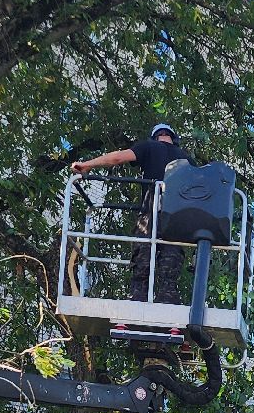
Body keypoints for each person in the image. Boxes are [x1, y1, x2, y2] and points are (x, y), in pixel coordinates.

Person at [70, 123, 191, 305]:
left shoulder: (148, 147)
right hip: (177, 218)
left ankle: (138, 298)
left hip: (151, 212)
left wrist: (87, 165)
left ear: (154, 137)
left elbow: (118, 157)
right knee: (171, 257)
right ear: (174, 139)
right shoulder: (187, 159)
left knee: (143, 254)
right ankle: (168, 297)